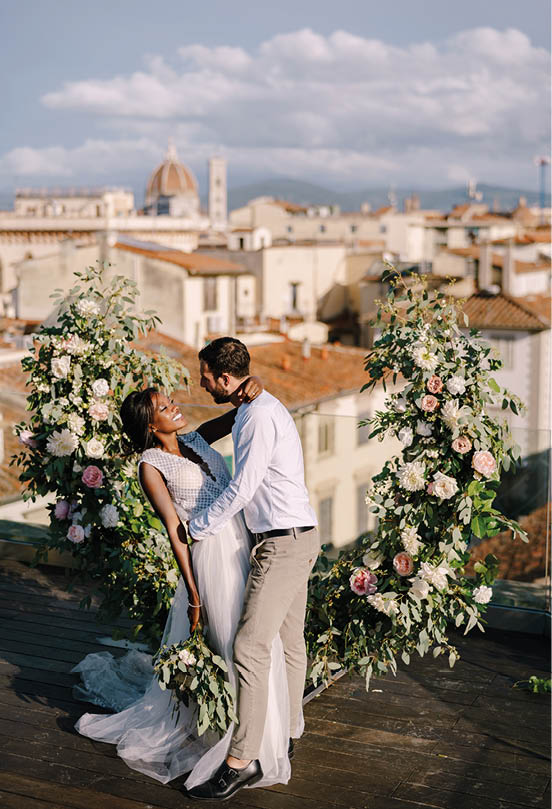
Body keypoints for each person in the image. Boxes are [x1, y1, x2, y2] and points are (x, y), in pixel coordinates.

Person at [72, 376, 295, 790]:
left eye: (172, 401)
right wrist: (193, 594)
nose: (176, 407)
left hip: (245, 541)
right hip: (211, 559)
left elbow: (238, 417)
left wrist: (254, 390)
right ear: (150, 424)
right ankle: (237, 740)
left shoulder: (194, 437)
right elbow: (176, 530)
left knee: (261, 641)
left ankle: (266, 732)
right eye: (165, 407)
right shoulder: (150, 466)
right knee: (232, 644)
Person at [185, 337, 319, 802]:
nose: (199, 382)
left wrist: (196, 527)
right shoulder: (250, 404)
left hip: (283, 544)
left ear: (224, 378)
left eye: (204, 375)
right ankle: (290, 734)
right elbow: (211, 428)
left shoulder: (258, 414)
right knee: (288, 642)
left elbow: (244, 487)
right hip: (298, 536)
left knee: (248, 646)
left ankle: (242, 761)